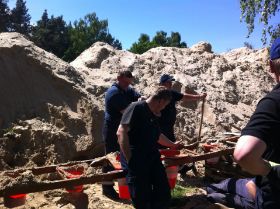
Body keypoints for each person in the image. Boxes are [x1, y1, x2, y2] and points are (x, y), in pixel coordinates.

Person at [206, 37, 280, 209]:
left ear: (270, 66)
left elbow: (244, 154)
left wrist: (270, 171)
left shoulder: (273, 102)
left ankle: (209, 194)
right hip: (262, 185)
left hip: (272, 196)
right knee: (231, 186)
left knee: (224, 188)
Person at [117, 87, 183, 209]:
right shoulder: (136, 107)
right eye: (165, 105)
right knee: (141, 195)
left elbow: (158, 136)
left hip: (151, 156)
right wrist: (129, 158)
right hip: (136, 157)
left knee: (163, 191)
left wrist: (173, 145)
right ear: (161, 101)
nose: (164, 108)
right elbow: (121, 132)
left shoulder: (153, 114)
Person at [102, 70, 141, 199]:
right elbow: (127, 111)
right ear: (119, 78)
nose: (127, 85)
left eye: (129, 83)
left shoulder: (126, 89)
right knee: (110, 159)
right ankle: (107, 187)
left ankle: (123, 185)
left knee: (121, 158)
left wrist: (141, 100)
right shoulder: (113, 93)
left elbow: (138, 97)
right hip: (112, 130)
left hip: (123, 129)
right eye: (125, 82)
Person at [159, 74, 206, 176]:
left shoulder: (171, 93)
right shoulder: (159, 94)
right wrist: (199, 97)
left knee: (170, 146)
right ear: (163, 83)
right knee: (163, 146)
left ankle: (176, 167)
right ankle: (167, 168)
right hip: (160, 126)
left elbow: (184, 96)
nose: (171, 84)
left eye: (171, 82)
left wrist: (199, 97)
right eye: (168, 82)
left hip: (168, 126)